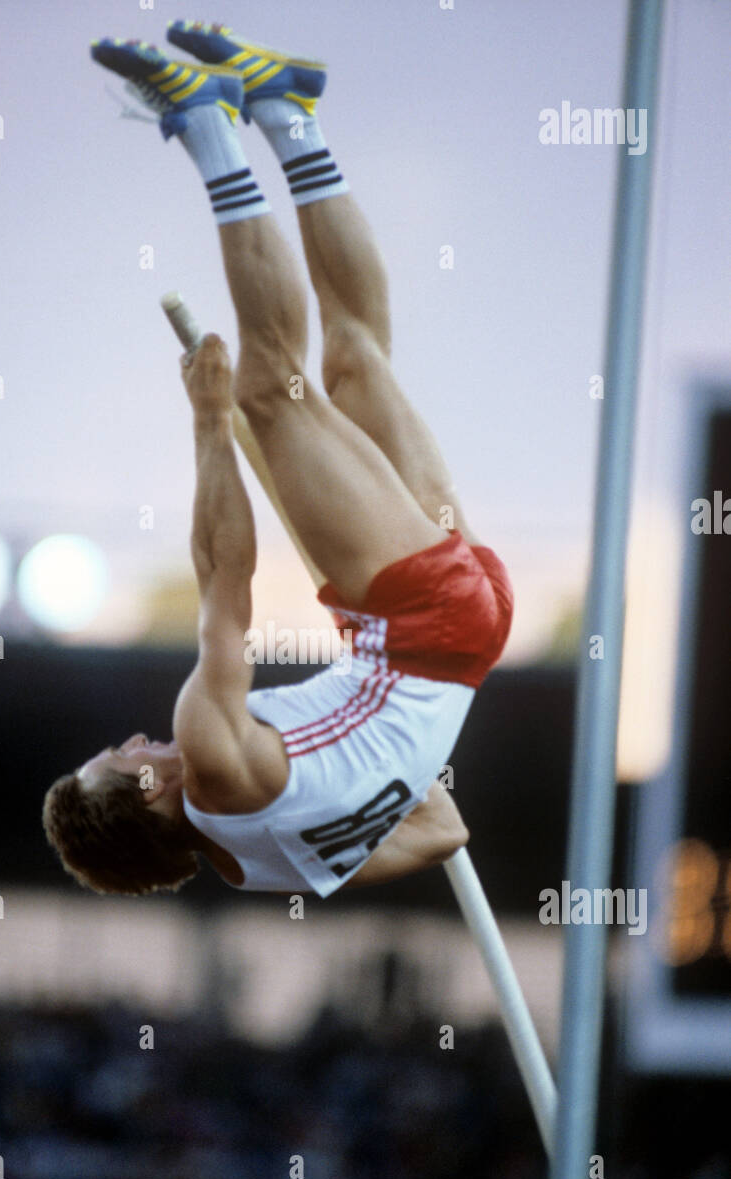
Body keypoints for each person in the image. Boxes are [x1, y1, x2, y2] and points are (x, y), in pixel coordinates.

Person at [42, 22, 513, 898]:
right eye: (130, 758)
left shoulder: (264, 870)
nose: (144, 743)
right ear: (148, 799)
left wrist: (382, 761)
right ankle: (210, 128)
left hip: (460, 635)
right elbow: (226, 574)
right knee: (276, 389)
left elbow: (446, 828)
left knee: (354, 361)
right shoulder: (211, 750)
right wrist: (212, 422)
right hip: (415, 619)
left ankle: (292, 115)